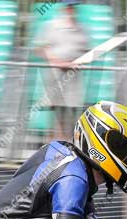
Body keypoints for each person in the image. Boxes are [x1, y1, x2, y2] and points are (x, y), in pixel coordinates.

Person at [34, 0, 89, 139]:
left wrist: (84, 59)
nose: (71, 9)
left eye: (73, 6)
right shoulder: (51, 26)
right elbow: (40, 49)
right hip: (56, 79)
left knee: (69, 122)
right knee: (58, 121)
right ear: (64, 8)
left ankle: (63, 153)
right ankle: (53, 154)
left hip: (74, 83)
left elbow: (86, 50)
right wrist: (59, 62)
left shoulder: (81, 28)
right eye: (69, 6)